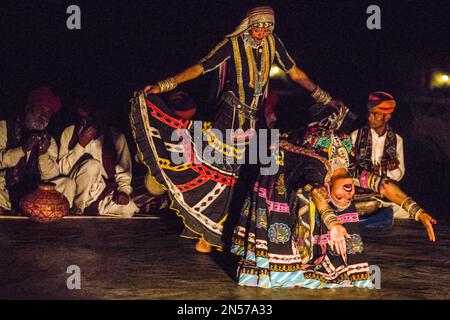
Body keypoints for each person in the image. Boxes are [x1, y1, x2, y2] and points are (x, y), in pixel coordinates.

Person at [131, 6, 344, 253]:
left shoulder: (273, 44)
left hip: (256, 120)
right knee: (219, 174)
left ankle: (231, 235)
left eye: (267, 28)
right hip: (229, 117)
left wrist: (325, 97)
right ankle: (206, 235)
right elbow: (200, 68)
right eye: (258, 27)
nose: (262, 33)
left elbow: (295, 72)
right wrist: (163, 85)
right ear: (248, 24)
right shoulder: (230, 44)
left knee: (254, 175)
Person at [231, 104, 437, 288]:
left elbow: (383, 185)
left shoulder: (350, 168)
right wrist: (333, 223)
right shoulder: (317, 168)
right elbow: (314, 190)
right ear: (328, 183)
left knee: (333, 208)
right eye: (346, 194)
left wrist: (417, 212)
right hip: (278, 165)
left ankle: (312, 257)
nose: (348, 196)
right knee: (302, 198)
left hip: (311, 168)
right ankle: (282, 261)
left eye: (347, 193)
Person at [58, 100, 138, 217]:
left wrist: (123, 192)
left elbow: (124, 173)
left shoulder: (116, 136)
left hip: (101, 192)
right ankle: (78, 207)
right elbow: (63, 170)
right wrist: (80, 145)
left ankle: (91, 208)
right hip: (74, 191)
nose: (90, 121)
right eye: (87, 116)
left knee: (129, 209)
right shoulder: (69, 132)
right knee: (92, 165)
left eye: (95, 115)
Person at [0, 87, 73, 213]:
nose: (43, 116)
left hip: (36, 195)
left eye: (48, 113)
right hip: (7, 191)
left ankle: (58, 222)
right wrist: (23, 149)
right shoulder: (5, 127)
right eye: (40, 110)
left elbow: (51, 175)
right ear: (28, 109)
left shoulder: (49, 140)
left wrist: (43, 154)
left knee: (67, 183)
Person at [351, 92, 407, 228]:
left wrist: (390, 169)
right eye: (370, 113)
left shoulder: (397, 140)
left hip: (384, 194)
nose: (370, 117)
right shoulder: (355, 136)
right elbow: (348, 168)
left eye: (375, 114)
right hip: (359, 194)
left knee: (405, 211)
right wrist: (369, 174)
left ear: (387, 116)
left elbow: (400, 175)